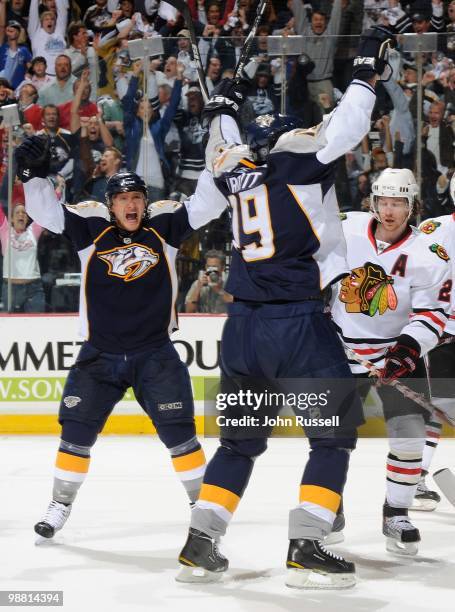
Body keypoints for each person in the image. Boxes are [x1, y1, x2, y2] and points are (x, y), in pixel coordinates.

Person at [176, 27, 396, 589]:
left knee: (238, 442)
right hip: (294, 321)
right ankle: (308, 543)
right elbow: (345, 126)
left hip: (241, 327)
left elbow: (219, 143)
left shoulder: (232, 169)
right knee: (333, 434)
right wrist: (365, 71)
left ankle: (201, 542)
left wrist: (224, 101)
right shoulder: (299, 159)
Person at [14, 135, 229, 540]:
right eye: (122, 198)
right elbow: (44, 210)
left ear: (145, 202)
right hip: (100, 355)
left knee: (180, 435)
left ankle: (203, 508)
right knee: (75, 433)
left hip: (155, 355)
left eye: (137, 197)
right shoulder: (89, 226)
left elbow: (207, 205)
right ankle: (60, 504)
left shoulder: (165, 225)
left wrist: (216, 168)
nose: (131, 205)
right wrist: (32, 175)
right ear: (110, 204)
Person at [330, 168, 451, 554]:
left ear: (411, 206)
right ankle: (328, 507)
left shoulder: (428, 253)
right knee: (332, 439)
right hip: (340, 351)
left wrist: (407, 350)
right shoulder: (346, 226)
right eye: (383, 201)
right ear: (373, 202)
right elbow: (308, 256)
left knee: (411, 434)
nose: (389, 210)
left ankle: (396, 513)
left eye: (398, 202)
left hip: (395, 354)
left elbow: (434, 314)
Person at [409, 176, 455, 511]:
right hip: (441, 332)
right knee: (439, 405)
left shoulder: (431, 227)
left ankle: (416, 478)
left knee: (439, 406)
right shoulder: (433, 229)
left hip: (439, 330)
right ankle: (414, 478)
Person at [0, 202, 45, 312]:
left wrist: (58, 190)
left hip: (33, 289)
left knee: (37, 326)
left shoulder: (33, 231)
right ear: (11, 219)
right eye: (18, 213)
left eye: (24, 213)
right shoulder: (5, 231)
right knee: (8, 327)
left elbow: (45, 212)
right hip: (11, 290)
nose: (21, 215)